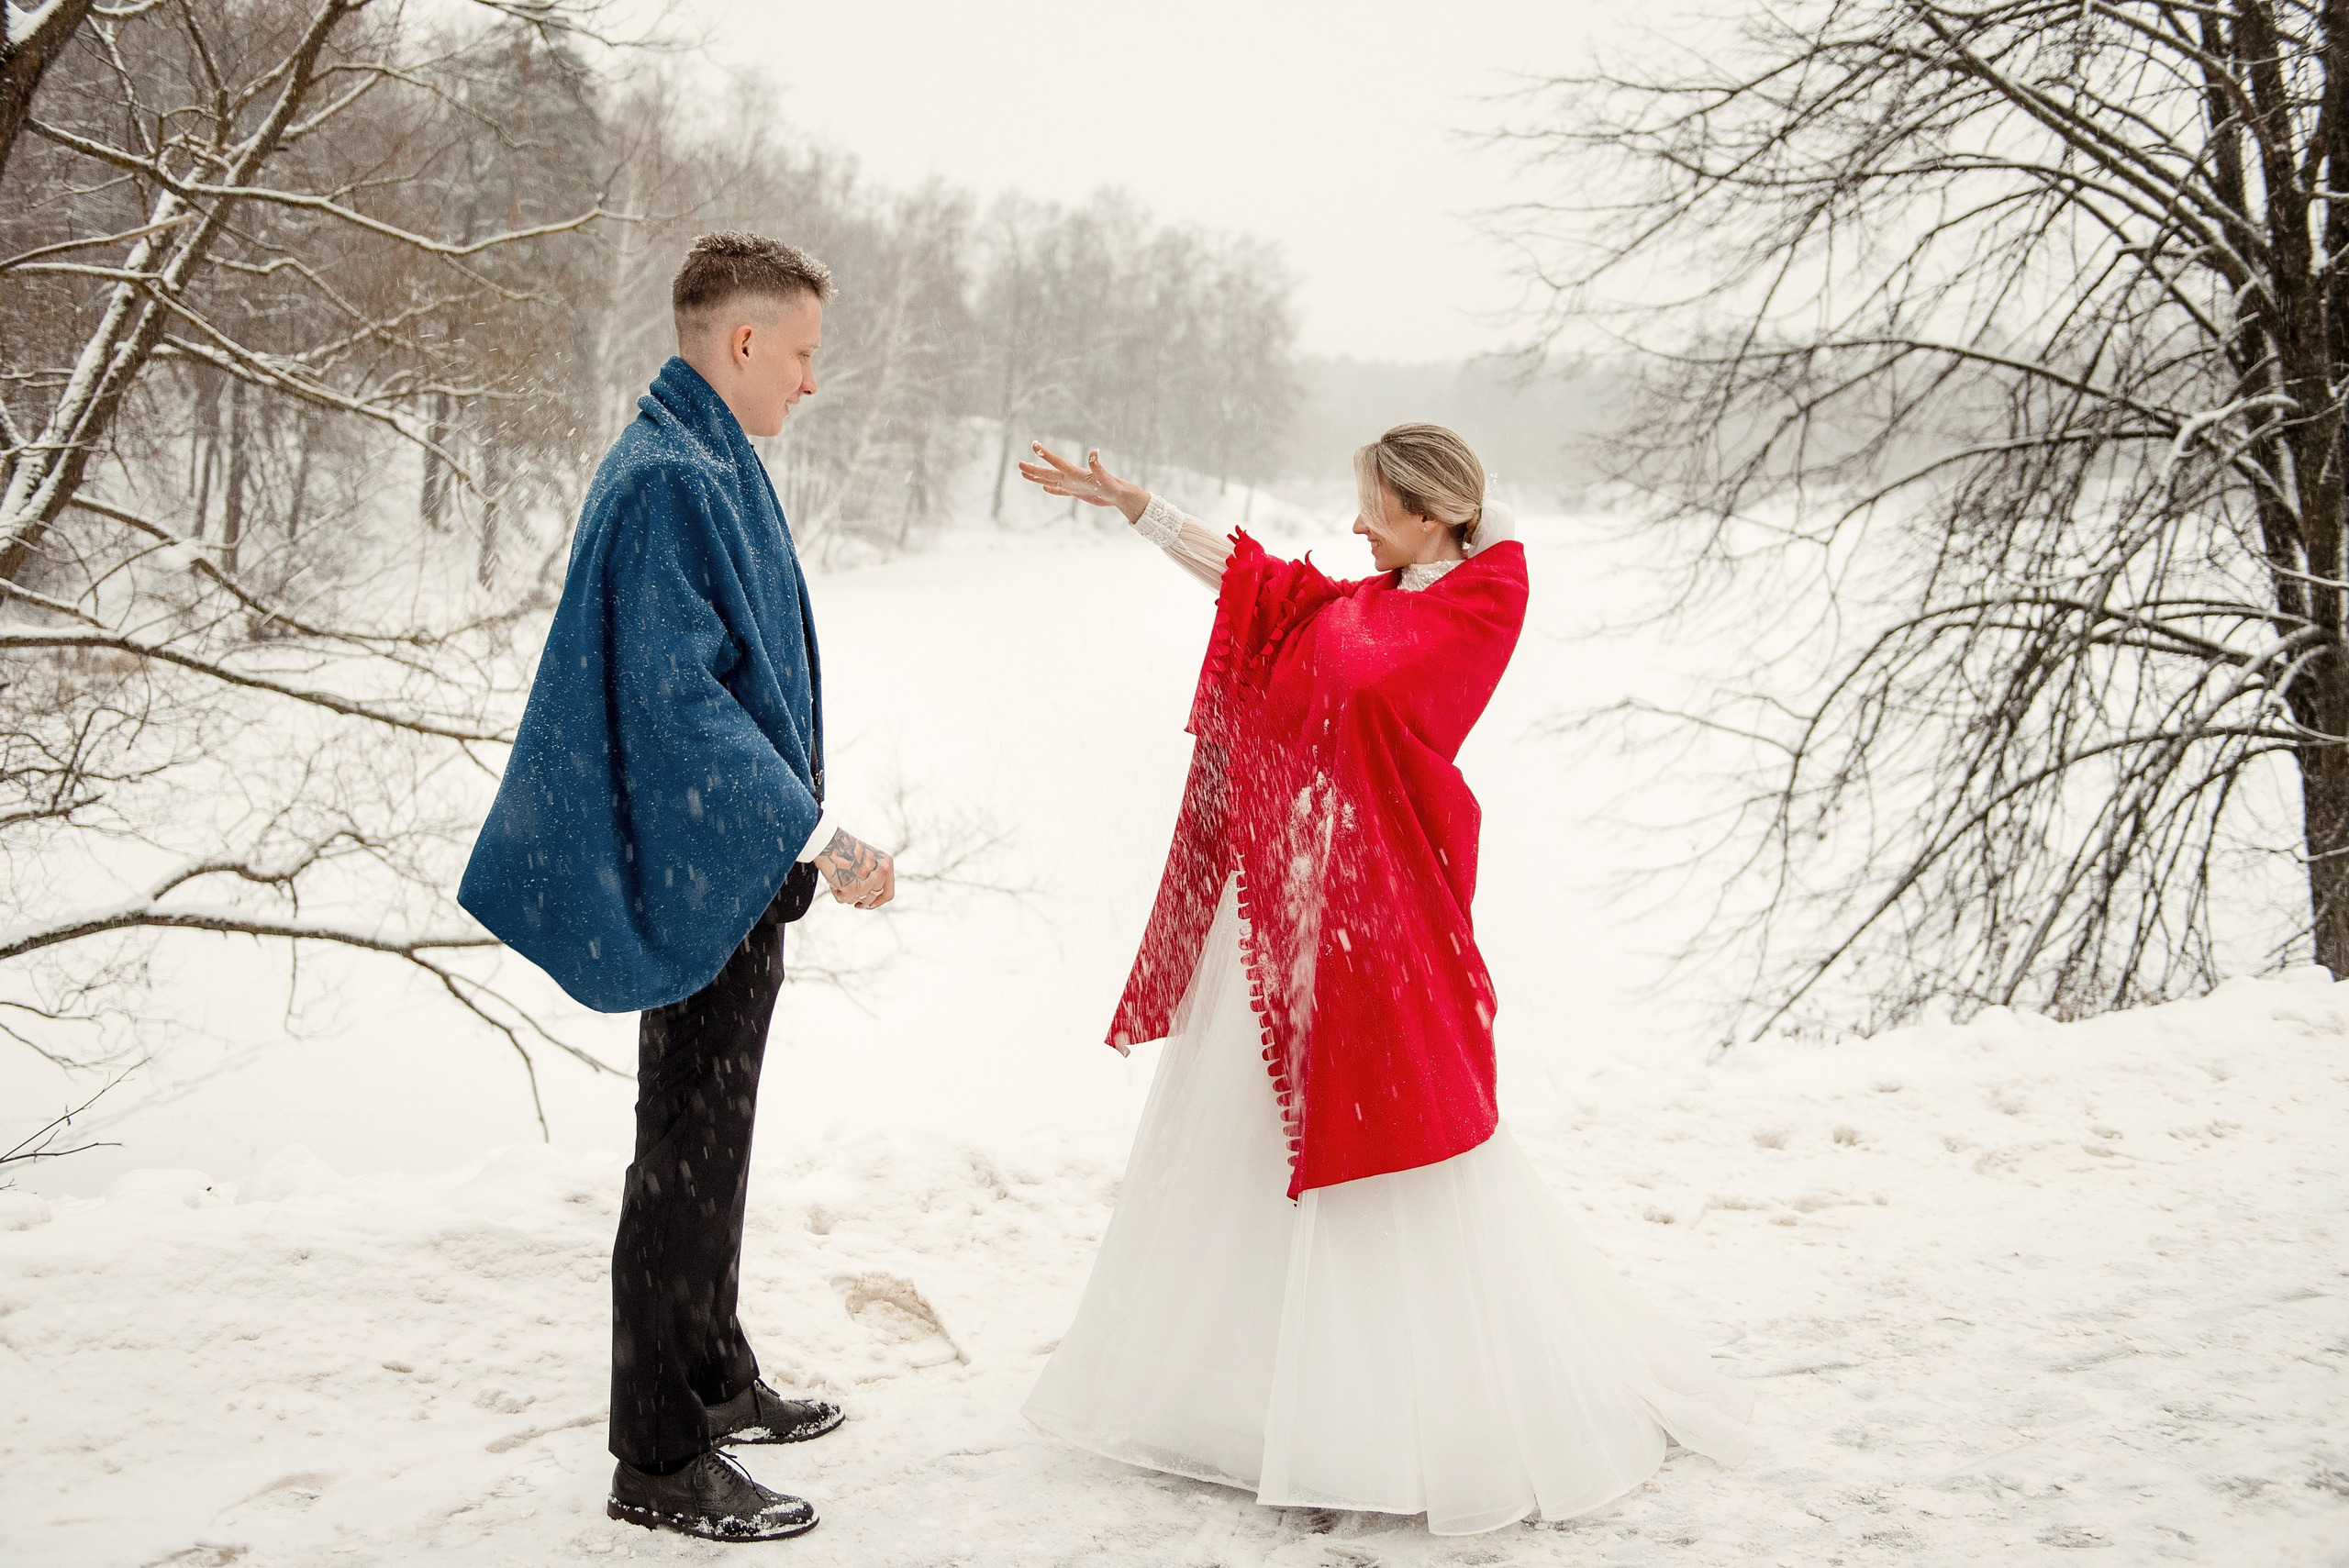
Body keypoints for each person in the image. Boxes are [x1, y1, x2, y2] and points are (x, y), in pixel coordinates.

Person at [1014, 427, 1753, 1535]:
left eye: (1375, 508)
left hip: (1376, 917)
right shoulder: (1380, 596)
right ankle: (1254, 1395)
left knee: (1381, 1139)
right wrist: (1137, 506)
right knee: (1250, 1151)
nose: (1355, 527)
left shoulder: (1469, 610)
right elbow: (1262, 585)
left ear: (1433, 512)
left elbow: (1367, 691)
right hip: (1293, 910)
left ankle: (1375, 1414)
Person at [458, 232, 896, 1545]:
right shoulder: (668, 474)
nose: (813, 382)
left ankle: (711, 1370)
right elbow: (674, 700)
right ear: (743, 343)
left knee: (714, 1142)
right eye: (805, 353)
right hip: (710, 859)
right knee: (682, 1165)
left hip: (730, 868)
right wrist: (821, 835)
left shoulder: (707, 454)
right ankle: (655, 1457)